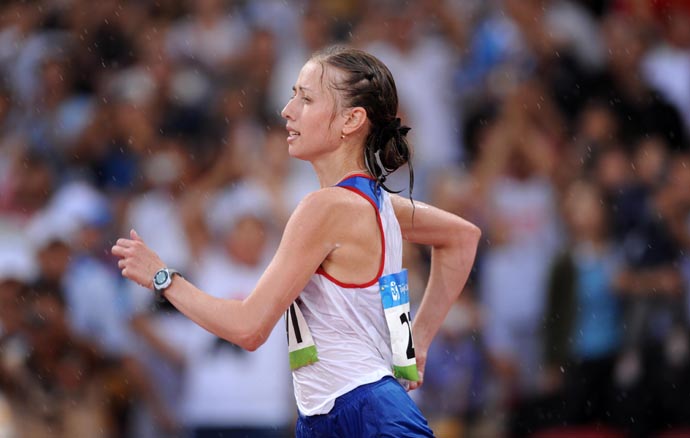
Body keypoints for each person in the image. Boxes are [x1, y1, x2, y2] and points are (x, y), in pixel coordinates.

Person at [112, 45, 481, 437]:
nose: (288, 110)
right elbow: (461, 237)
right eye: (293, 96)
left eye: (306, 99)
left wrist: (163, 278)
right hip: (344, 411)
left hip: (360, 411)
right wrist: (417, 342)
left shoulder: (324, 209)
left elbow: (248, 328)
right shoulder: (377, 204)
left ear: (351, 119)